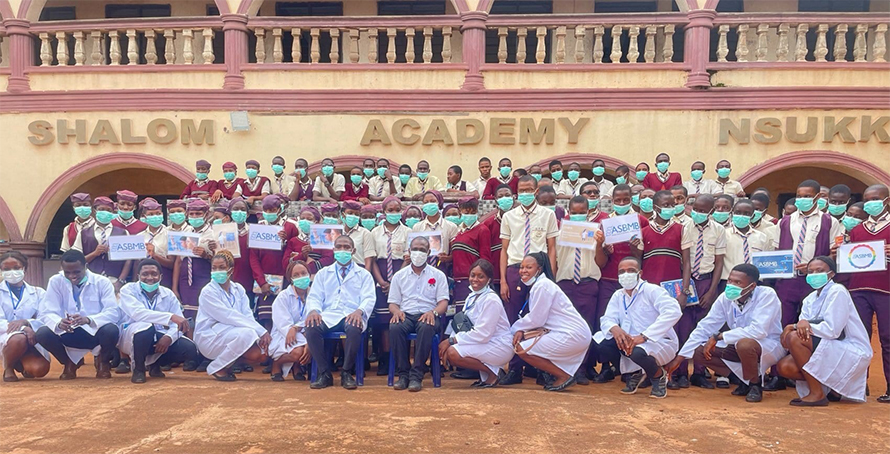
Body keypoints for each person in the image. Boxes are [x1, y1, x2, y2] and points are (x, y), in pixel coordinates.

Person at [667, 264, 783, 402]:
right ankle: (744, 380)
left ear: (752, 286)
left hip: (767, 345)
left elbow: (759, 331)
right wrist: (679, 359)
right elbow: (705, 326)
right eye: (730, 280)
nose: (731, 285)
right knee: (698, 351)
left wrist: (719, 336)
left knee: (744, 344)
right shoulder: (725, 298)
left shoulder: (767, 295)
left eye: (737, 282)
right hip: (736, 345)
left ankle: (754, 385)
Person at [769, 180, 843, 392]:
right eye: (799, 195)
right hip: (788, 281)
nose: (802, 199)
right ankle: (777, 375)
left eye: (807, 196)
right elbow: (776, 251)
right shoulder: (785, 221)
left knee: (813, 327)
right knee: (782, 324)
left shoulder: (829, 222)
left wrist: (813, 267)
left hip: (815, 283)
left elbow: (833, 253)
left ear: (818, 197)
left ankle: (815, 374)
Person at [777, 256, 872, 406]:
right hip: (825, 346)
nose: (814, 275)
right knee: (784, 367)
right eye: (811, 271)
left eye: (819, 271)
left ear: (832, 274)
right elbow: (803, 326)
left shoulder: (837, 291)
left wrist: (793, 327)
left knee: (795, 338)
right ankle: (833, 388)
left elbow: (832, 330)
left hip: (846, 346)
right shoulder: (809, 298)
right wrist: (796, 327)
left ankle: (817, 393)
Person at [498, 176, 560, 386]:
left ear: (535, 191)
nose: (525, 193)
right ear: (517, 191)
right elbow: (504, 250)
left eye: (529, 189)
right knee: (514, 318)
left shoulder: (548, 215)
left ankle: (542, 369)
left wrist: (550, 276)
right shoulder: (509, 216)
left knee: (540, 319)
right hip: (515, 269)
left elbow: (551, 248)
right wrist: (503, 280)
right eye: (521, 189)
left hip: (539, 270)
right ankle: (515, 368)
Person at [595, 256, 682, 399]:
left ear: (640, 273)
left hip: (659, 342)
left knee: (637, 353)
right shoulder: (618, 295)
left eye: (631, 270)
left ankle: (658, 376)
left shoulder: (652, 290)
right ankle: (634, 373)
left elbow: (674, 311)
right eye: (621, 272)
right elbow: (607, 318)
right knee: (602, 343)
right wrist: (615, 328)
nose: (626, 274)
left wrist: (644, 336)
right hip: (631, 342)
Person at [511, 253, 592, 391]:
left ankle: (563, 376)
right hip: (574, 334)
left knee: (521, 348)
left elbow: (537, 319)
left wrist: (515, 329)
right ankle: (553, 374)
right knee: (530, 340)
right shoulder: (542, 285)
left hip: (572, 335)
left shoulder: (542, 286)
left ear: (539, 269)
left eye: (529, 267)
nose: (523, 271)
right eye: (521, 267)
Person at [594, 184, 649, 383]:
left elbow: (643, 257)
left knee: (634, 323)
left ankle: (632, 368)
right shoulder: (604, 223)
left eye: (626, 200)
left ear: (632, 199)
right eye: (618, 200)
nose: (622, 203)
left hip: (633, 282)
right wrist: (602, 248)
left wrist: (635, 249)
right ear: (612, 201)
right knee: (608, 324)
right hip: (609, 280)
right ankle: (609, 366)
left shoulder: (640, 221)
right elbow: (600, 262)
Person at [304, 236, 376, 389]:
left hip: (351, 314)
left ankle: (346, 372)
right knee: (311, 327)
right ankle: (324, 373)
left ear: (353, 251)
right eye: (339, 247)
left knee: (354, 327)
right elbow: (314, 296)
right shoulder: (323, 274)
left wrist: (359, 311)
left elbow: (369, 298)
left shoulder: (364, 274)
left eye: (346, 247)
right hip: (328, 315)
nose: (342, 250)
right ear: (334, 250)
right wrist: (314, 311)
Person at [36, 250, 121, 380]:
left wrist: (88, 320)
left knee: (112, 330)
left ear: (85, 266)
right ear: (62, 268)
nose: (72, 276)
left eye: (76, 272)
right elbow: (47, 312)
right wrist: (59, 322)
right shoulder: (55, 281)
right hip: (69, 331)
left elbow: (113, 312)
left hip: (95, 331)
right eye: (67, 272)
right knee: (42, 333)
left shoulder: (102, 282)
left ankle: (103, 362)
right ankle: (69, 363)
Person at [674, 194, 726, 389]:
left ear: (711, 212)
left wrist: (712, 291)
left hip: (706, 281)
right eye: (696, 208)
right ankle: (680, 373)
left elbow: (719, 262)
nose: (698, 213)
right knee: (683, 328)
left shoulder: (719, 230)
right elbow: (685, 261)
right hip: (686, 282)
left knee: (703, 329)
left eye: (704, 211)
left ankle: (699, 372)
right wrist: (685, 290)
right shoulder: (684, 227)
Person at [193, 250, 270, 381]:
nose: (218, 271)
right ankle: (217, 368)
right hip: (210, 336)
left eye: (222, 267)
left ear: (231, 269)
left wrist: (258, 334)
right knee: (248, 334)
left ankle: (228, 364)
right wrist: (260, 331)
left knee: (261, 354)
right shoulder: (207, 292)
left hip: (233, 333)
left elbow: (247, 314)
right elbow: (228, 316)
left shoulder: (238, 289)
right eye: (214, 268)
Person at [118, 259, 195, 383]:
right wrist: (170, 317)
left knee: (189, 349)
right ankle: (139, 369)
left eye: (154, 274)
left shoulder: (168, 294)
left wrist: (169, 337)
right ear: (138, 276)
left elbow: (179, 323)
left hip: (159, 336)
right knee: (145, 328)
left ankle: (156, 364)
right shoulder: (128, 290)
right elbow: (138, 313)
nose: (149, 278)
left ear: (161, 276)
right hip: (135, 335)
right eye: (145, 274)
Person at [556, 196, 607, 383]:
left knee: (586, 328)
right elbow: (554, 258)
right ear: (568, 212)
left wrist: (599, 244)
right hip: (565, 284)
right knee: (565, 328)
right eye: (574, 213)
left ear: (589, 212)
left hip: (587, 284)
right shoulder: (560, 231)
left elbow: (601, 263)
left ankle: (582, 369)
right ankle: (564, 368)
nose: (578, 215)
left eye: (582, 212)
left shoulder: (596, 232)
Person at [388, 236, 449, 391]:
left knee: (427, 326)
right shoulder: (399, 276)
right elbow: (393, 303)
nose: (418, 252)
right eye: (415, 249)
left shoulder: (438, 275)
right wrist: (396, 312)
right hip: (405, 314)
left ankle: (416, 375)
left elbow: (443, 302)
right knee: (395, 327)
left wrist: (433, 312)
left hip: (427, 314)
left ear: (428, 252)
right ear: (409, 251)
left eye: (422, 250)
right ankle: (403, 374)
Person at [439, 259, 513, 388]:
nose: (475, 279)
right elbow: (461, 322)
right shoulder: (472, 296)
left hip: (498, 345)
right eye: (473, 275)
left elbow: (483, 334)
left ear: (489, 279)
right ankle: (491, 373)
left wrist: (452, 341)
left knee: (453, 353)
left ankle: (493, 374)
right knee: (450, 351)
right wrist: (449, 339)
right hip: (484, 342)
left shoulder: (491, 299)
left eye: (481, 276)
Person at [847, 184, 890, 403]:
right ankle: (857, 385)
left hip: (886, 289)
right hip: (858, 288)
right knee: (859, 338)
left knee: (888, 338)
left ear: (886, 200)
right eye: (867, 198)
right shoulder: (857, 229)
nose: (870, 202)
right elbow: (850, 258)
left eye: (875, 198)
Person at [369, 197, 411, 374]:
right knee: (384, 321)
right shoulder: (374, 232)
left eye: (397, 209)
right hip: (380, 274)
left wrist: (394, 280)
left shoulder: (408, 232)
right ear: (384, 210)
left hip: (401, 273)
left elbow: (408, 258)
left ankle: (400, 357)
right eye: (390, 209)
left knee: (400, 317)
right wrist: (381, 281)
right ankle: (385, 359)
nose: (394, 212)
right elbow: (372, 258)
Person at [1, 251, 50, 382]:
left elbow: (45, 317)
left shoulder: (38, 293)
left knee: (39, 370)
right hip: (6, 337)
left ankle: (19, 361)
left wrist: (26, 322)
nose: (12, 272)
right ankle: (9, 367)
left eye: (16, 268)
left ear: (24, 269)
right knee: (18, 339)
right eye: (6, 269)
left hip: (32, 338)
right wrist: (24, 329)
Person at [638, 190, 692, 298]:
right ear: (655, 208)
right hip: (649, 285)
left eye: (673, 205)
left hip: (673, 285)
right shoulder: (644, 231)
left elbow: (686, 263)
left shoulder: (681, 229)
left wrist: (684, 291)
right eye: (666, 205)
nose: (670, 208)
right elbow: (638, 260)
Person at [71, 196, 131, 292]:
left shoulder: (123, 233)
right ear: (94, 211)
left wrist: (120, 281)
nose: (105, 212)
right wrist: (95, 253)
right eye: (101, 209)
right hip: (89, 281)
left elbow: (128, 260)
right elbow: (77, 260)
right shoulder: (83, 233)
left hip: (114, 281)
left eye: (108, 210)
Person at [269, 260, 312, 381]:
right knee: (299, 352)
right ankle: (277, 362)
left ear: (309, 274)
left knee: (310, 345)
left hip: (304, 331)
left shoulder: (315, 294)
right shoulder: (283, 296)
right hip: (284, 334)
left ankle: (296, 366)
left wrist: (297, 327)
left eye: (304, 273)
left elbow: (315, 316)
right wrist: (292, 329)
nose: (301, 277)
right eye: (296, 275)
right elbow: (282, 322)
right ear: (290, 278)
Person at [251, 195, 288, 328]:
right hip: (264, 281)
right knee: (266, 320)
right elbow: (253, 258)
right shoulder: (258, 229)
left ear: (279, 209)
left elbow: (293, 253)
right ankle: (267, 348)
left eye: (272, 209)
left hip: (285, 281)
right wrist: (262, 282)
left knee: (283, 319)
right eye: (266, 210)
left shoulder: (289, 227)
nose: (269, 213)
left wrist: (285, 240)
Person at [451, 197, 492, 314]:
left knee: (472, 314)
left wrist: (479, 278)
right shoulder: (458, 231)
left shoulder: (482, 230)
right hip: (458, 280)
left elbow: (485, 257)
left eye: (472, 212)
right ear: (460, 211)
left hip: (472, 280)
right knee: (460, 314)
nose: (469, 215)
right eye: (466, 212)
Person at [722, 198, 772, 290]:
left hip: (754, 283)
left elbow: (765, 262)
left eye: (746, 214)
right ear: (732, 213)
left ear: (752, 216)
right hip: (729, 282)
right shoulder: (724, 234)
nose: (741, 216)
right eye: (738, 212)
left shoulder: (762, 237)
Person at [414, 191, 458, 271]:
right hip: (422, 266)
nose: (429, 204)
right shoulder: (417, 227)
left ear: (439, 202)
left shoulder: (451, 226)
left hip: (442, 266)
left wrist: (448, 258)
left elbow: (454, 250)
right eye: (426, 202)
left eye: (433, 201)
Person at [483, 184, 514, 293]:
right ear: (496, 200)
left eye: (507, 195)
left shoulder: (521, 220)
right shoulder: (488, 223)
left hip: (517, 271)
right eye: (500, 196)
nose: (504, 198)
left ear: (513, 197)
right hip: (495, 273)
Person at [140, 198, 175, 289]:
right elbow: (136, 263)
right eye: (151, 214)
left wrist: (154, 255)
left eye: (158, 213)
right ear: (145, 216)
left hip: (165, 275)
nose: (155, 216)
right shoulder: (139, 236)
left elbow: (172, 264)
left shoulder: (171, 235)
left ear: (162, 214)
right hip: (143, 278)